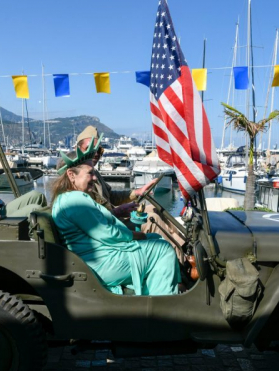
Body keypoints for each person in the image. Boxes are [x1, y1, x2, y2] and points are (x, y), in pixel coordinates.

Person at [51, 139, 180, 296]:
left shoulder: (69, 198)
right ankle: (164, 303)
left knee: (156, 239)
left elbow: (96, 223)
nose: (94, 178)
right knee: (164, 250)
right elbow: (108, 234)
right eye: (90, 173)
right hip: (100, 263)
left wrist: (122, 217)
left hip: (98, 257)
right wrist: (137, 235)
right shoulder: (75, 200)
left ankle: (152, 295)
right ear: (71, 175)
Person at [76, 126, 184, 254]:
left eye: (99, 150)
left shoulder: (95, 173)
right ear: (78, 149)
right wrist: (118, 211)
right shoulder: (77, 178)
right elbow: (90, 218)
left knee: (153, 208)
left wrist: (137, 192)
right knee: (151, 219)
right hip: (106, 227)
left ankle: (183, 245)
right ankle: (179, 259)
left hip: (113, 218)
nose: (95, 154)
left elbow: (111, 195)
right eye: (89, 148)